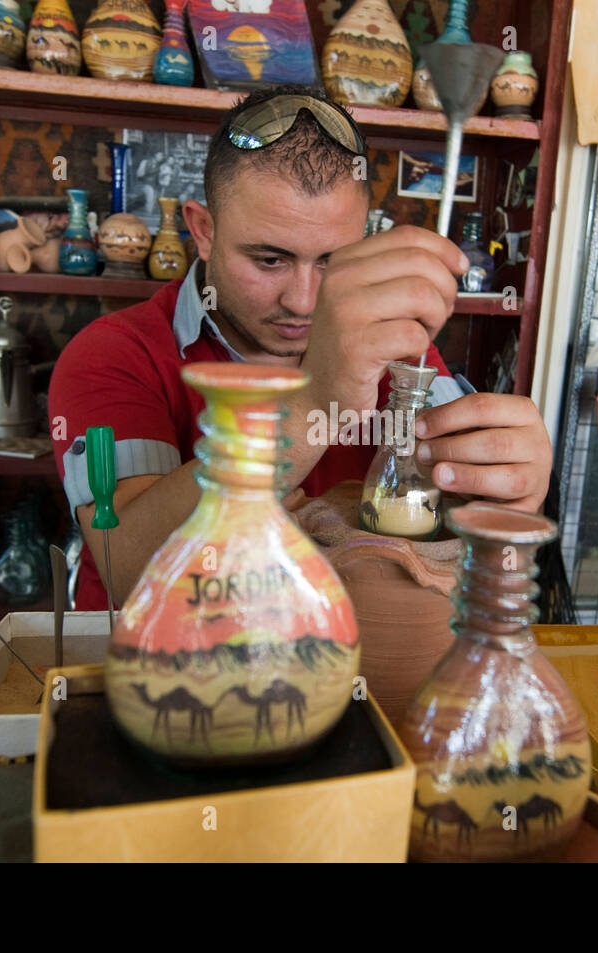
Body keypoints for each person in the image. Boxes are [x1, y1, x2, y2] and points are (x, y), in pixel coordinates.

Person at [50, 86, 553, 610]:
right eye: (270, 260)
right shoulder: (115, 355)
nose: (304, 301)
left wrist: (507, 497)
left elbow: (466, 548)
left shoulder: (397, 349)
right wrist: (316, 403)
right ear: (203, 230)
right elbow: (128, 568)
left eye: (333, 261)